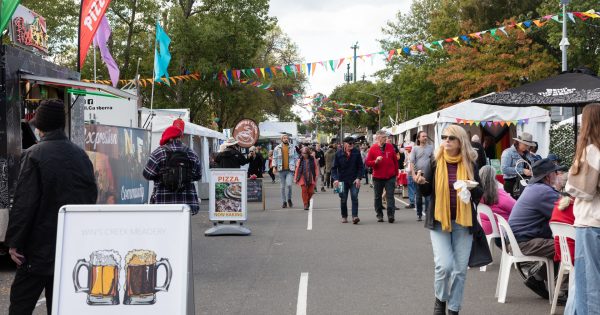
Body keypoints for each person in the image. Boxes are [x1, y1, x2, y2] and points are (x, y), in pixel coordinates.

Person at [6, 99, 98, 315]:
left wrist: (14, 243)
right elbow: (91, 196)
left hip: (37, 250)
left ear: (40, 126)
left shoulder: (34, 154)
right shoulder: (81, 155)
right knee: (60, 306)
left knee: (21, 304)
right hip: (71, 246)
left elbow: (24, 203)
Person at [414, 125, 482, 315]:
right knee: (444, 266)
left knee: (460, 271)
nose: (446, 141)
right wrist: (420, 184)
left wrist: (471, 189)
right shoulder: (435, 161)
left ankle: (453, 309)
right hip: (439, 221)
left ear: (460, 141)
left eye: (451, 138)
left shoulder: (470, 163)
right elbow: (427, 190)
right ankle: (440, 300)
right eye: (444, 137)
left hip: (464, 222)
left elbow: (479, 193)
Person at [565, 103, 600, 315]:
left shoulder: (591, 151)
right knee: (586, 284)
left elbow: (582, 190)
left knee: (589, 286)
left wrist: (568, 184)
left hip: (590, 222)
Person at [144, 125, 203, 214]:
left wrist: (162, 175)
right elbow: (198, 176)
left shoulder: (158, 153)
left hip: (163, 202)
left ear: (167, 138)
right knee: (184, 227)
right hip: (186, 204)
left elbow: (147, 174)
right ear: (179, 137)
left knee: (164, 227)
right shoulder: (191, 153)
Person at [365, 130, 399, 223]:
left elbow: (395, 161)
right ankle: (379, 214)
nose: (386, 139)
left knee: (390, 196)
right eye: (384, 137)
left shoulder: (390, 146)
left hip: (390, 176)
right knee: (377, 197)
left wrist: (396, 175)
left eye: (386, 137)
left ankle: (391, 215)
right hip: (378, 177)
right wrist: (375, 161)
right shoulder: (372, 148)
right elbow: (367, 163)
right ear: (378, 138)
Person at [478, 165, 516, 245]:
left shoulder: (477, 195)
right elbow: (516, 208)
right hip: (503, 233)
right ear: (494, 178)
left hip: (484, 231)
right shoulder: (500, 195)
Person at [332, 137, 364, 224]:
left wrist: (359, 178)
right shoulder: (338, 153)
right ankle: (344, 216)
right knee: (343, 199)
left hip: (354, 180)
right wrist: (335, 179)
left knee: (354, 197)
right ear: (344, 144)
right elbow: (334, 169)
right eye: (350, 143)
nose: (352, 145)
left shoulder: (356, 152)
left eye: (353, 143)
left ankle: (355, 216)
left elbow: (361, 167)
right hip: (341, 180)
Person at [500, 132, 535, 199]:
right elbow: (504, 169)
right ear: (518, 142)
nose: (527, 147)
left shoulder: (528, 154)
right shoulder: (508, 152)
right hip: (512, 184)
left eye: (528, 145)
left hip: (526, 184)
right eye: (525, 145)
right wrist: (522, 170)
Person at [411, 131, 434, 221]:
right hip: (418, 175)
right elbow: (412, 162)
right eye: (423, 136)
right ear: (418, 138)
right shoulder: (415, 149)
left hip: (428, 175)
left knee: (428, 196)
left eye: (426, 136)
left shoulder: (431, 148)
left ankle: (428, 213)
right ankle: (419, 214)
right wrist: (413, 174)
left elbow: (434, 160)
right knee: (419, 196)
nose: (425, 137)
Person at [273, 134, 298, 208]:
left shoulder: (292, 147)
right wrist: (274, 167)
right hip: (281, 170)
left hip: (290, 169)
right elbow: (274, 158)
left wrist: (296, 166)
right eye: (284, 138)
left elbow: (296, 157)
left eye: (287, 138)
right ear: (281, 139)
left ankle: (289, 199)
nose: (285, 139)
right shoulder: (277, 148)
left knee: (289, 185)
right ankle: (284, 201)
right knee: (282, 187)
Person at [404, 141, 416, 209]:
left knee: (411, 187)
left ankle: (412, 202)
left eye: (408, 149)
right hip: (411, 172)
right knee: (413, 187)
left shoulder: (411, 155)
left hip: (411, 173)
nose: (407, 150)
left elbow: (410, 164)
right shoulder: (412, 154)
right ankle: (414, 201)